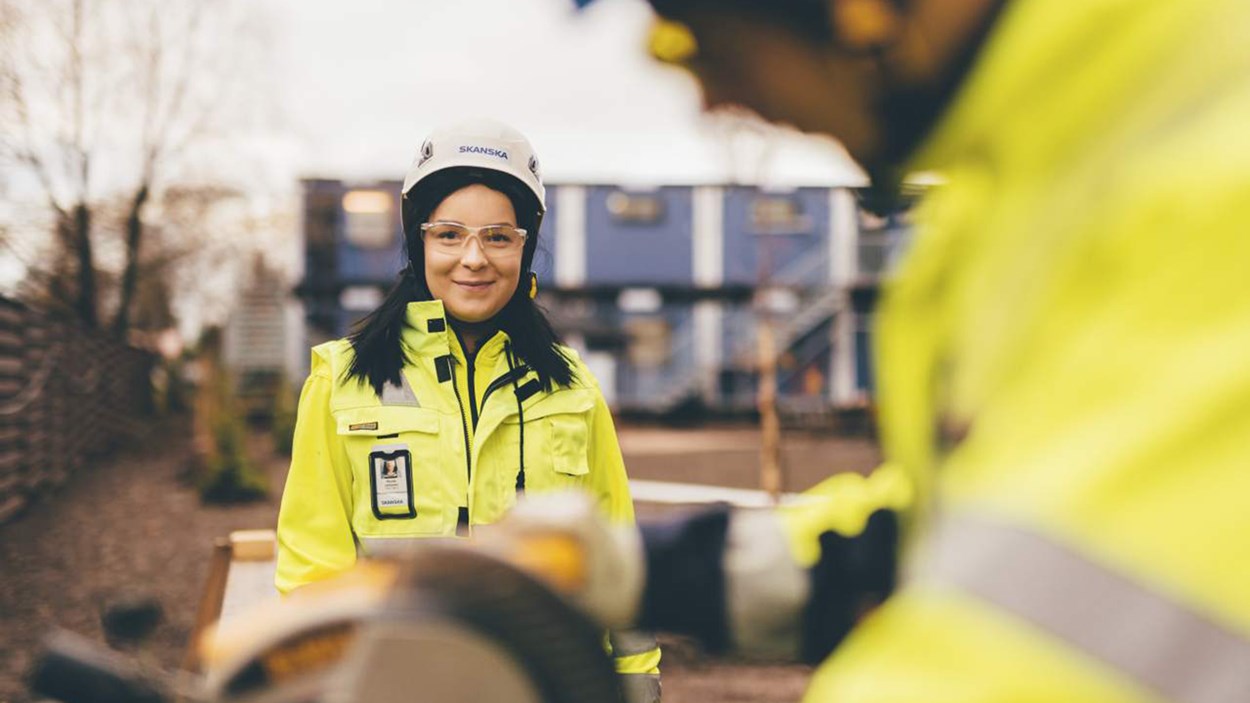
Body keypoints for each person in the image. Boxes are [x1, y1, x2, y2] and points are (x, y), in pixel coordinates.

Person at [535, 0, 1250, 701]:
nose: (711, 97)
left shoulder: (1213, 179)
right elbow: (979, 538)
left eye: (699, 39)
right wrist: (633, 569)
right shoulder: (1038, 177)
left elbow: (1027, 662)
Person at [274, 118, 661, 701]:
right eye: (449, 234)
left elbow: (613, 555)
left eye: (499, 237)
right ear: (418, 242)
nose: (474, 259)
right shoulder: (341, 379)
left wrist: (636, 683)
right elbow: (312, 567)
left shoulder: (572, 386)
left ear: (525, 247)